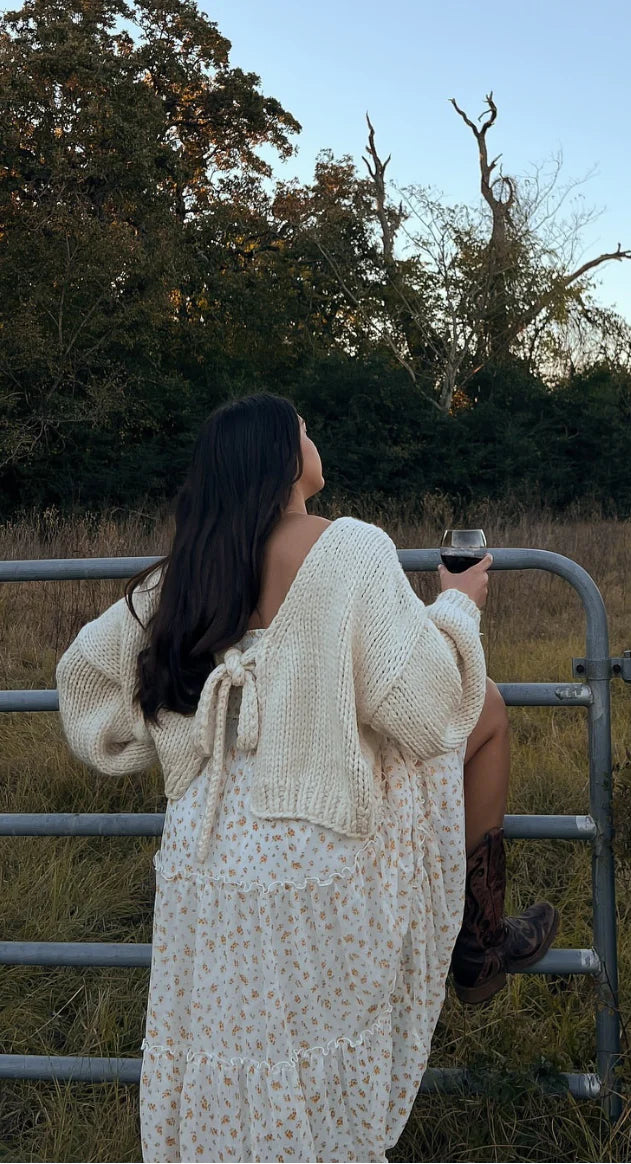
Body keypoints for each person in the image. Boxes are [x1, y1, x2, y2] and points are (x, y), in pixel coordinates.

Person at [55, 393, 558, 1164]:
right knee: (482, 708)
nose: (314, 437)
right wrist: (457, 609)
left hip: (205, 863)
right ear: (284, 458)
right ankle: (480, 940)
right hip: (312, 860)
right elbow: (426, 710)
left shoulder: (186, 569)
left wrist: (181, 732)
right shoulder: (348, 548)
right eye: (303, 429)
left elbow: (84, 682)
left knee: (230, 1056)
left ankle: (479, 940)